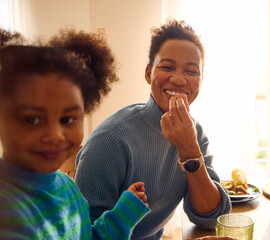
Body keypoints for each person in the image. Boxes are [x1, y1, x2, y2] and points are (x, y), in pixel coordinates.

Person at [75, 20, 231, 239]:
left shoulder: (194, 133)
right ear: (148, 73)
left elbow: (211, 217)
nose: (178, 79)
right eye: (167, 67)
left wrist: (189, 149)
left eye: (192, 71)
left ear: (201, 80)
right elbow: (83, 235)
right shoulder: (109, 139)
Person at [0, 28, 150, 239]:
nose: (54, 135)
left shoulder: (67, 187)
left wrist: (121, 215)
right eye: (32, 119)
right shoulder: (7, 208)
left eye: (68, 119)